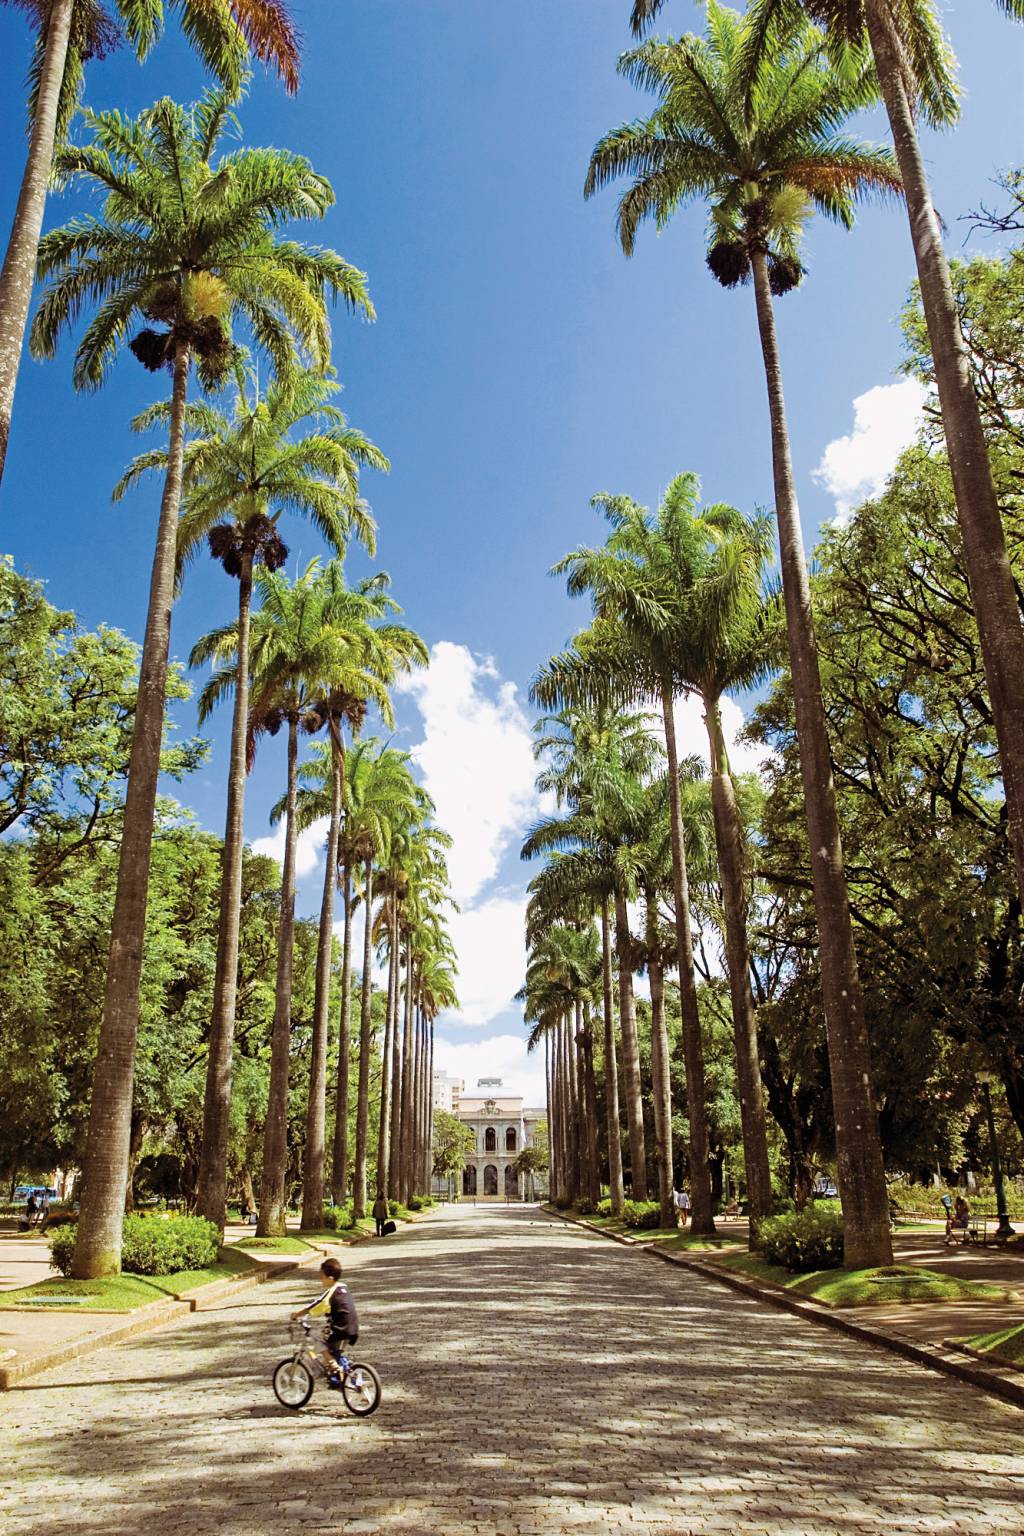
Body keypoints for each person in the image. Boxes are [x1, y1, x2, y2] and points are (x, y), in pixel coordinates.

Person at [290, 1257, 359, 1389]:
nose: (320, 1279)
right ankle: (338, 1378)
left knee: (315, 1336)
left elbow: (317, 1304)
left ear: (330, 1278)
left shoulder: (331, 1291)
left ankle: (334, 1365)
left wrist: (298, 1314)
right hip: (352, 1327)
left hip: (339, 1328)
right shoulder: (343, 1287)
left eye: (322, 1276)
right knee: (335, 1350)